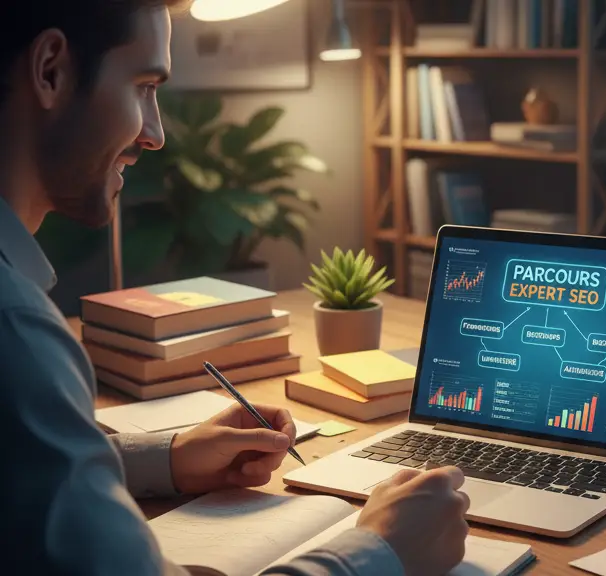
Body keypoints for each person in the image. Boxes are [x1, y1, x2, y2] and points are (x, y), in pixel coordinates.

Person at [0, 1, 470, 575]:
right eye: (144, 86)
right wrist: (383, 551)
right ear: (51, 69)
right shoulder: (16, 334)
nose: (156, 134)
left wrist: (168, 459)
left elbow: (20, 464)